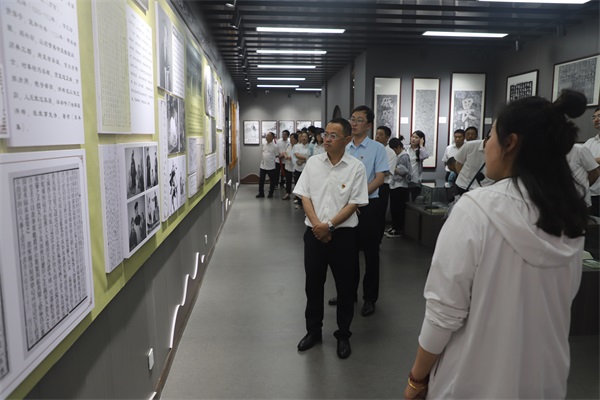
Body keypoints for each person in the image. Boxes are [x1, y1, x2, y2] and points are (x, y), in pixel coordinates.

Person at [403, 90, 588, 399]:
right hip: (545, 380)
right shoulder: (570, 214)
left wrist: (416, 379)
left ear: (510, 143)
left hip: (474, 381)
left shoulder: (476, 209)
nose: (485, 146)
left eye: (490, 136)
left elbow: (443, 313)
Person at [293, 118, 368, 359]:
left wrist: (329, 226)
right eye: (325, 134)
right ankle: (313, 331)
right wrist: (318, 226)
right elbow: (304, 196)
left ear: (347, 140)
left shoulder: (356, 167)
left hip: (343, 236)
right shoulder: (313, 163)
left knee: (345, 288)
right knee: (313, 285)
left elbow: (354, 203)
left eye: (333, 136)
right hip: (314, 234)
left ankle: (343, 334)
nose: (326, 139)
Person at [329, 105, 388, 317]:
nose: (354, 123)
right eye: (352, 119)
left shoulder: (377, 149)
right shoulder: (344, 146)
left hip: (368, 206)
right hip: (345, 206)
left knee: (371, 254)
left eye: (359, 120)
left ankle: (369, 297)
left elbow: (379, 179)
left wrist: (358, 199)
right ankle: (348, 293)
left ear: (369, 125)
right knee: (347, 253)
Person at [385, 137, 411, 238]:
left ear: (399, 147)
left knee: (398, 209)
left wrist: (393, 168)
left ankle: (398, 229)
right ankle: (394, 226)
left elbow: (404, 171)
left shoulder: (404, 156)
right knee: (394, 208)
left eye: (394, 149)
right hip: (394, 185)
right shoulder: (398, 156)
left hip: (400, 186)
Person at [375, 125, 395, 240]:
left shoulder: (390, 153)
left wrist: (374, 171)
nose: (377, 136)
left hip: (383, 185)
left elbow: (386, 171)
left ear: (387, 138)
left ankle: (377, 239)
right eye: (377, 134)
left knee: (379, 213)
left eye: (380, 135)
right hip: (370, 184)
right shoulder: (373, 149)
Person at [567, 143, 600, 210]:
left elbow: (595, 173)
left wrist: (584, 186)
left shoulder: (579, 149)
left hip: (581, 200)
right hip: (562, 200)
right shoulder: (590, 141)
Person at [583, 107, 600, 216]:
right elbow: (580, 160)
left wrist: (590, 162)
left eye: (599, 116)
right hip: (590, 192)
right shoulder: (590, 142)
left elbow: (585, 161)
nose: (596, 119)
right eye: (594, 117)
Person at [407, 130, 429, 201]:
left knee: (415, 201)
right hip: (405, 179)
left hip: (415, 180)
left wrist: (421, 145)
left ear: (421, 140)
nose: (413, 139)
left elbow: (425, 156)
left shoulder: (421, 150)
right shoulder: (406, 149)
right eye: (413, 137)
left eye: (416, 138)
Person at [256, 132, 279, 198]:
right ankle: (261, 193)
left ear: (272, 137)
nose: (266, 137)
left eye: (268, 136)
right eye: (266, 135)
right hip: (263, 165)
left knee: (272, 181)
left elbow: (277, 155)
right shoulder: (264, 144)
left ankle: (271, 193)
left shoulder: (275, 146)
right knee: (261, 180)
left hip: (271, 166)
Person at [293, 132, 311, 208]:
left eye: (305, 136)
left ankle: (308, 204)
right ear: (300, 138)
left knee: (307, 187)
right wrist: (306, 158)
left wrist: (303, 160)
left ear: (308, 138)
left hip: (308, 169)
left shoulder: (310, 146)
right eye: (302, 136)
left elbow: (311, 156)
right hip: (298, 169)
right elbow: (297, 155)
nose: (304, 138)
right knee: (299, 186)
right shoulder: (296, 146)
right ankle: (300, 202)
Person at [282, 132, 298, 200]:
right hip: (288, 166)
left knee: (296, 181)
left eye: (292, 138)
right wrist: (285, 155)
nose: (291, 140)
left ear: (296, 139)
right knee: (288, 181)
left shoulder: (298, 146)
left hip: (295, 167)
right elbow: (285, 152)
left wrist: (290, 157)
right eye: (290, 138)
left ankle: (297, 195)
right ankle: (287, 193)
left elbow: (296, 156)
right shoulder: (289, 145)